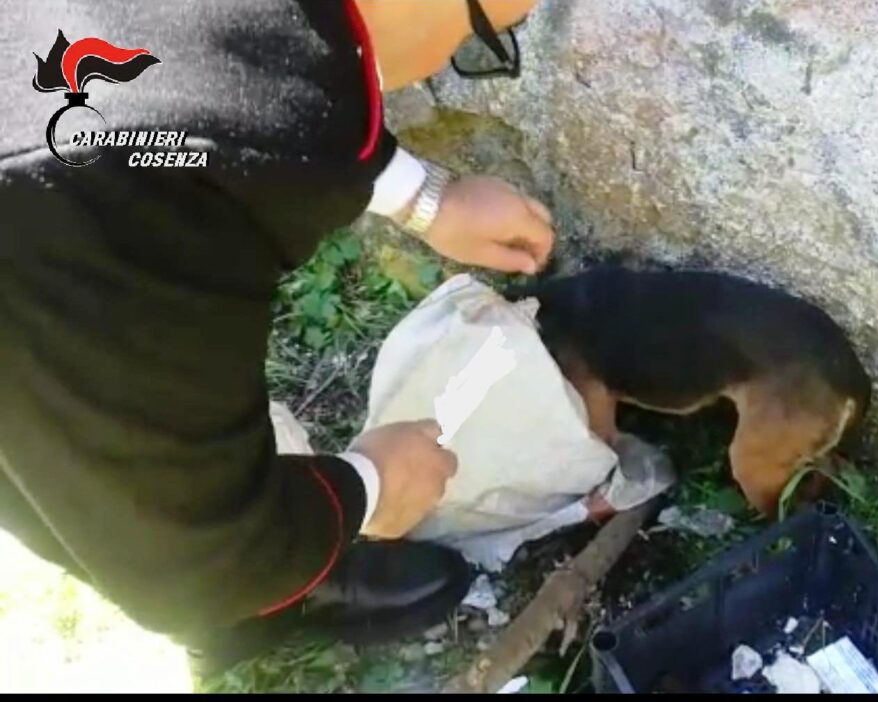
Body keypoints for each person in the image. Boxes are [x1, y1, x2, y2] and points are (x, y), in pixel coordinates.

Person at [0, 0, 549, 673]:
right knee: (91, 488)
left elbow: (235, 83)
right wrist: (371, 485)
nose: (455, 56)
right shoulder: (117, 215)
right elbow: (191, 564)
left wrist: (427, 199)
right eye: (482, 35)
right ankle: (261, 611)